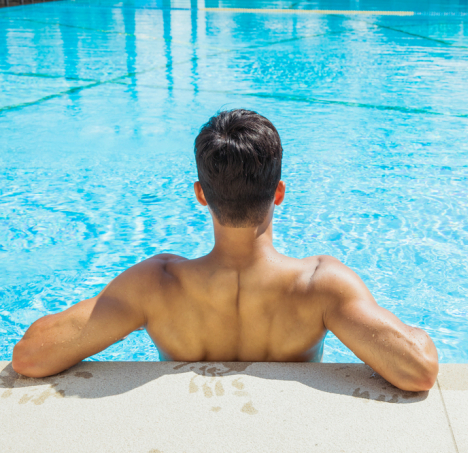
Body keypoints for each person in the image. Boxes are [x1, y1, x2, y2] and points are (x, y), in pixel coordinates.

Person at [12, 109, 439, 391]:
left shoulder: (155, 285)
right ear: (279, 193)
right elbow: (419, 370)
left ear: (201, 194)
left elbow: (30, 355)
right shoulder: (320, 287)